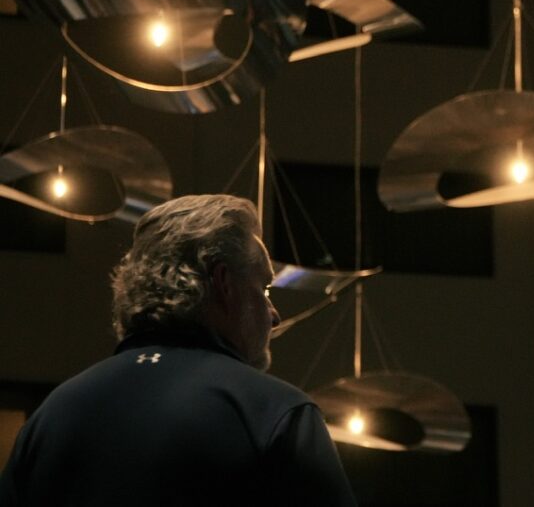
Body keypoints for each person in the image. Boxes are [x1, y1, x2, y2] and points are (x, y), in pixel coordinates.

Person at [0, 194, 358, 506]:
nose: (275, 315)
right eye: (264, 289)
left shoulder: (52, 417)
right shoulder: (273, 413)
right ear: (223, 283)